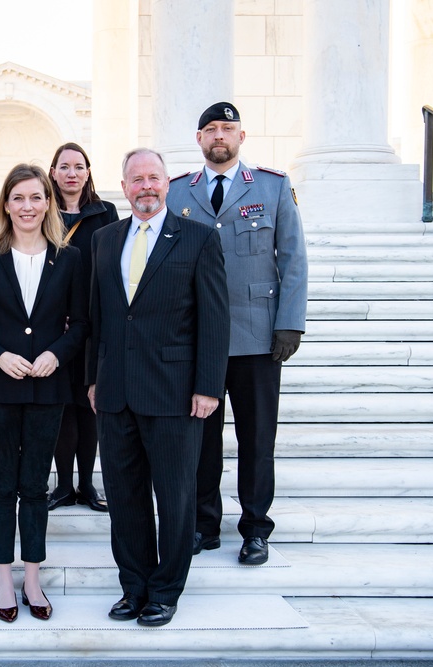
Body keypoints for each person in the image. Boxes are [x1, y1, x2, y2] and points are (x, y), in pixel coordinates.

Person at [87, 148, 229, 627]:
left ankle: (166, 590)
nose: (145, 186)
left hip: (175, 394)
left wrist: (209, 387)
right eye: (135, 179)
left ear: (168, 183)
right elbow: (97, 319)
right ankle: (134, 586)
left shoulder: (198, 239)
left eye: (153, 178)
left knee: (174, 498)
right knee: (124, 498)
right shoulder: (105, 241)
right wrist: (92, 377)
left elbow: (215, 320)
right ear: (123, 187)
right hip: (115, 393)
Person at [166, 102, 308, 566]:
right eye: (210, 129)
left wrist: (289, 322)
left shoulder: (272, 186)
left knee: (256, 437)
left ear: (242, 137)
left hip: (256, 336)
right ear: (199, 138)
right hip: (196, 340)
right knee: (200, 440)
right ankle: (203, 524)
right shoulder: (176, 193)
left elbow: (292, 258)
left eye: (227, 128)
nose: (219, 135)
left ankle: (255, 528)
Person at [0, 163, 88, 623]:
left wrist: (57, 353)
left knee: (34, 486)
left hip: (49, 387)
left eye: (36, 197)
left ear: (47, 202)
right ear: (6, 205)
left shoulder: (69, 258)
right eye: (18, 198)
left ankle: (32, 577)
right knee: (2, 483)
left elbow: (83, 324)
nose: (27, 206)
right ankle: (4, 578)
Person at [46, 142, 118, 513]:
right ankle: (62, 486)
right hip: (54, 326)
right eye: (64, 166)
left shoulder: (106, 213)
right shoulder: (41, 210)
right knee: (62, 405)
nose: (71, 173)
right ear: (53, 172)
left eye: (79, 166)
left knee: (90, 403)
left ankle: (87, 484)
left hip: (94, 324)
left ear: (88, 172)